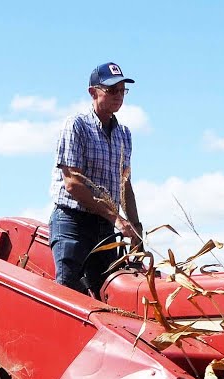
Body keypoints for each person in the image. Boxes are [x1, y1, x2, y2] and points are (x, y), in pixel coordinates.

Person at [48, 61, 142, 296]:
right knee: (69, 293)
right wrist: (118, 219)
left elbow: (125, 185)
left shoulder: (124, 134)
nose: (118, 96)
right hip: (73, 223)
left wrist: (137, 230)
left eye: (122, 91)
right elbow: (73, 184)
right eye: (111, 90)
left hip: (106, 227)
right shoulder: (77, 126)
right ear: (93, 92)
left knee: (105, 295)